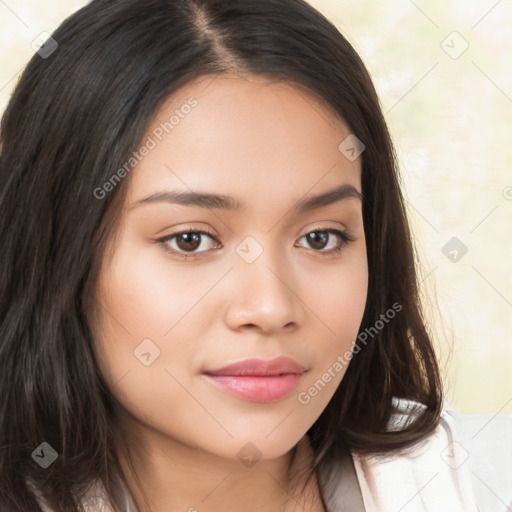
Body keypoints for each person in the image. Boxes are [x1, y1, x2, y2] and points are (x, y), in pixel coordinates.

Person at [0, 0, 479, 510]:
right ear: (57, 251)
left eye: (320, 237)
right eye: (191, 239)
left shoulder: (451, 476)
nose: (271, 308)